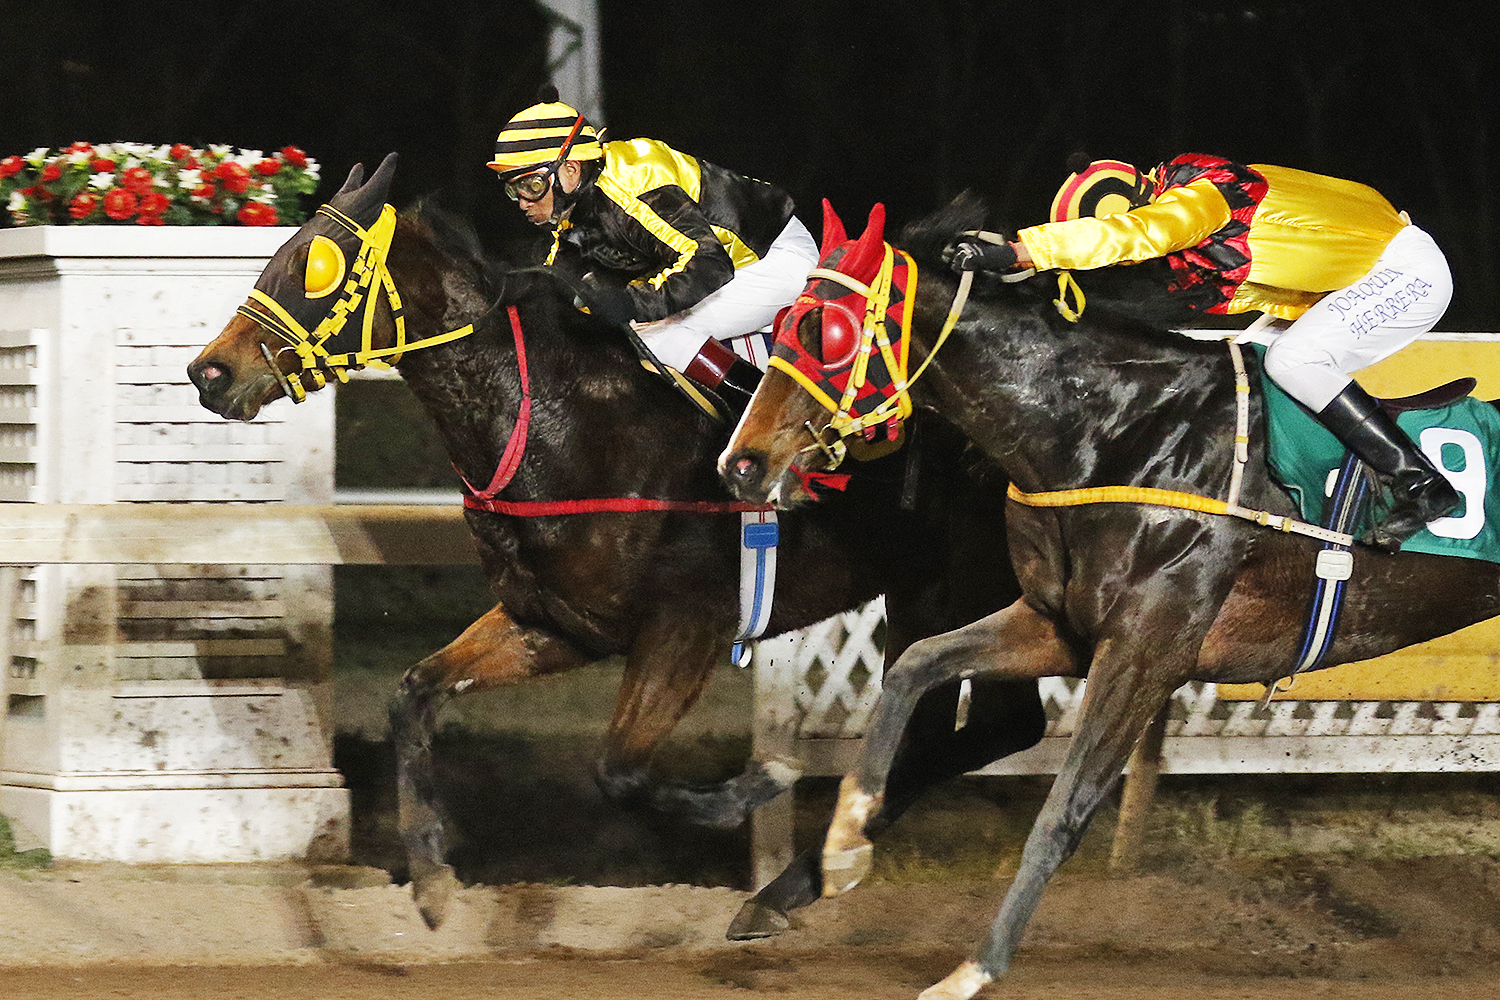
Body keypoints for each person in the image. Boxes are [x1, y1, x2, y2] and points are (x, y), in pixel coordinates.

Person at [945, 153, 1460, 552]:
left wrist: (1022, 251)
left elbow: (1139, 234)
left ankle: (1422, 485)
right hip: (1359, 274)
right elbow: (1143, 289)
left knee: (1293, 361)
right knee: (1246, 366)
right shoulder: (1200, 224)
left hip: (1405, 270)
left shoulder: (1203, 196)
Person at [487, 87, 819, 415]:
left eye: (531, 185)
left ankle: (770, 412)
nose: (522, 203)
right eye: (513, 190)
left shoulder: (634, 183)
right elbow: (558, 278)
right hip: (731, 263)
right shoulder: (579, 201)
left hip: (771, 258)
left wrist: (631, 303)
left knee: (650, 336)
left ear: (570, 170)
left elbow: (710, 264)